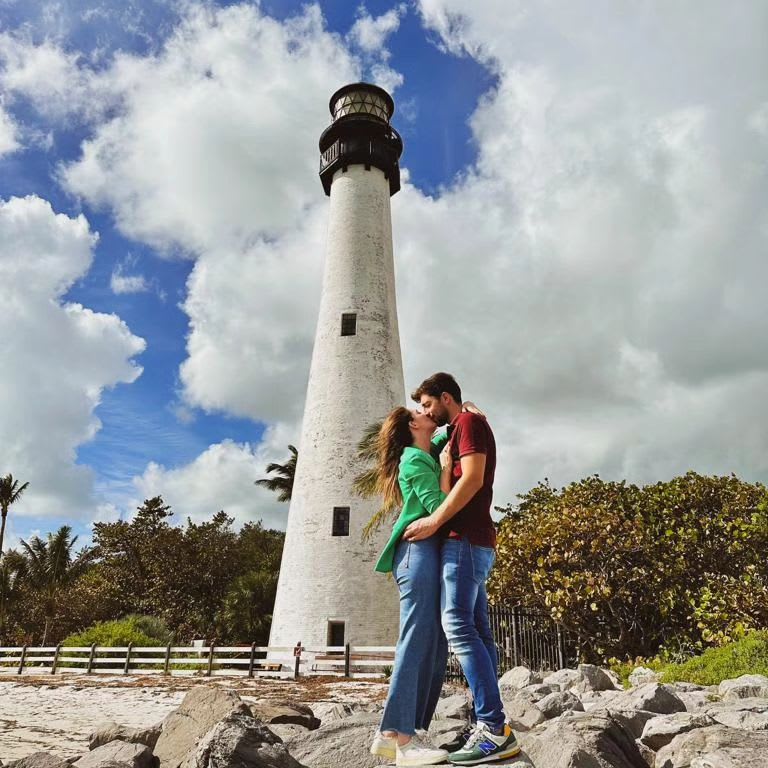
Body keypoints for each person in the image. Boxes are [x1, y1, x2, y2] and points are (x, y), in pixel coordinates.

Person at [404, 372, 520, 765]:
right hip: (471, 541)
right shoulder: (458, 426)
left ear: (446, 397)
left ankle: (491, 726)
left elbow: (472, 480)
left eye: (427, 404)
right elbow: (416, 448)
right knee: (479, 632)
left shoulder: (468, 423)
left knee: (457, 626)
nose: (423, 412)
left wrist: (435, 521)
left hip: (465, 540)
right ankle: (491, 724)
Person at [369, 406, 453, 767]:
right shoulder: (413, 461)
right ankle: (400, 737)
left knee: (435, 642)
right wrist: (449, 469)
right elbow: (439, 506)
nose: (426, 410)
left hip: (428, 553)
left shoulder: (427, 449)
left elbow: (448, 432)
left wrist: (465, 412)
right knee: (417, 637)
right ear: (411, 426)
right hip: (415, 552)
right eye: (420, 410)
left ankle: (396, 735)